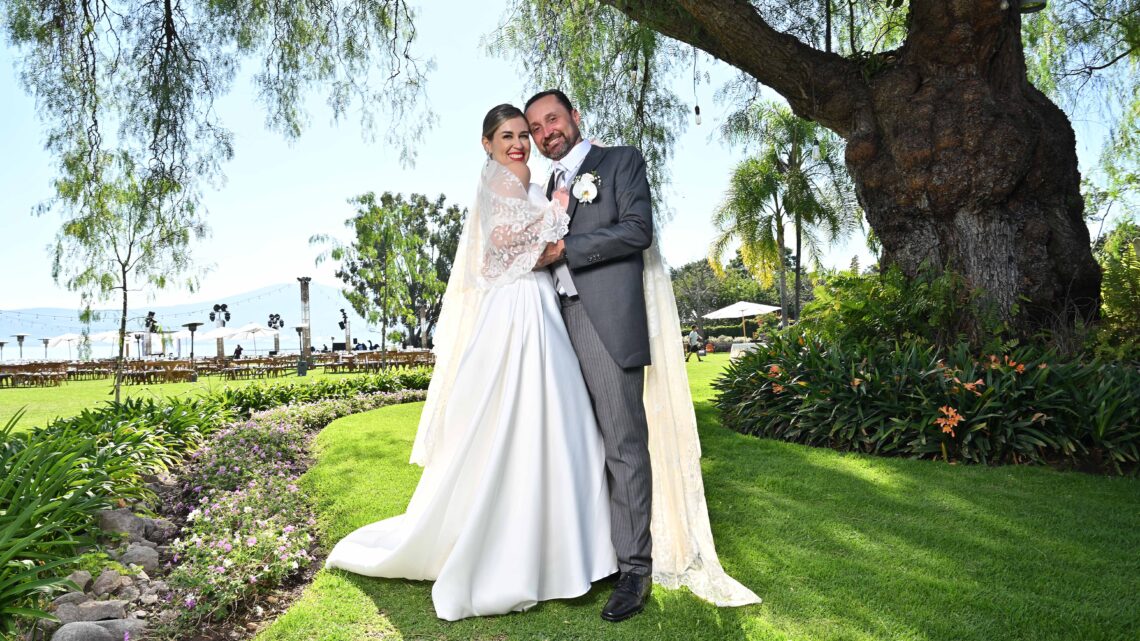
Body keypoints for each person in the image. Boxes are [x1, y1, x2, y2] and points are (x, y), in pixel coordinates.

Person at [324, 104, 616, 621]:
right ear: (487, 143)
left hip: (524, 302)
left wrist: (544, 226)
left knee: (538, 419)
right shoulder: (516, 177)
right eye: (507, 135)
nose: (519, 143)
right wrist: (557, 211)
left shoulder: (499, 179)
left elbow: (487, 258)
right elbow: (502, 248)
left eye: (524, 134)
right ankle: (557, 551)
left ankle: (550, 545)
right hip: (522, 308)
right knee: (539, 420)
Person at [524, 89, 758, 620]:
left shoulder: (619, 161)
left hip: (601, 321)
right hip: (549, 327)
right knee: (575, 447)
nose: (545, 133)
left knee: (623, 446)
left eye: (552, 120)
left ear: (575, 117)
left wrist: (564, 250)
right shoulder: (543, 188)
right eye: (536, 128)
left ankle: (635, 571)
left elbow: (637, 230)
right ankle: (591, 556)